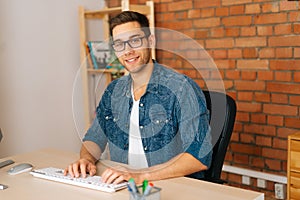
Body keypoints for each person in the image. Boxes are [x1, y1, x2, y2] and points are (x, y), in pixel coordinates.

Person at [65, 11, 212, 184]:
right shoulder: (114, 90)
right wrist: (87, 160)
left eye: (135, 40)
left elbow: (199, 156)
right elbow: (94, 139)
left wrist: (141, 176)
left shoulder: (182, 88)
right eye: (119, 44)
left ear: (151, 41)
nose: (128, 51)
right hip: (122, 186)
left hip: (168, 187)